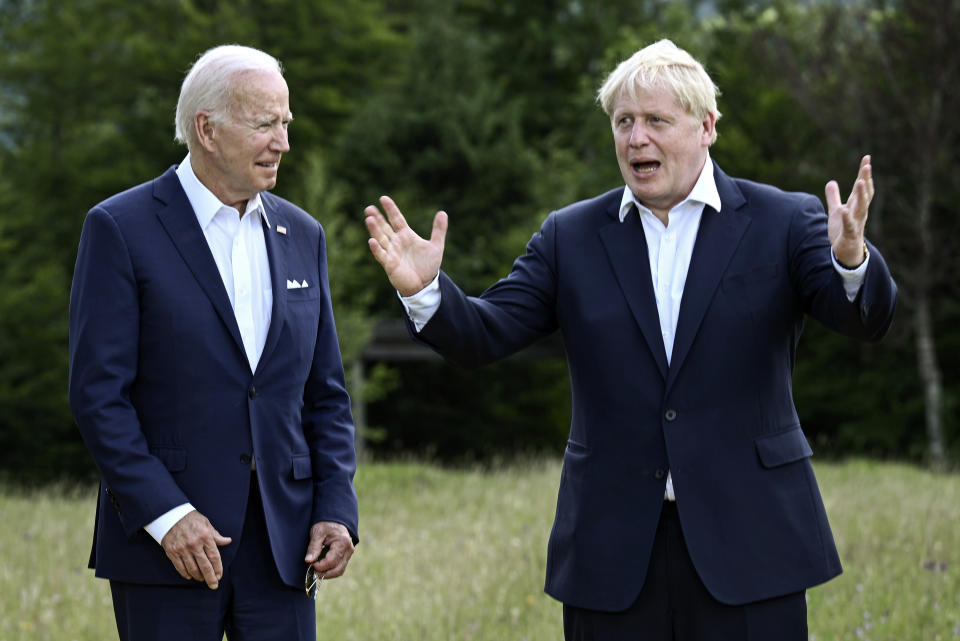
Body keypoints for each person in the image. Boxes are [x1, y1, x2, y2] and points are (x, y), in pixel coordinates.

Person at [364, 39, 897, 640]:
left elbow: (864, 320)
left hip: (753, 544)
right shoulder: (571, 236)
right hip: (612, 552)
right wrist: (427, 292)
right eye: (624, 122)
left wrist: (852, 261)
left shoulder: (784, 221)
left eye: (655, 122)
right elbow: (485, 335)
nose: (635, 138)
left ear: (707, 127)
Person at [69, 44, 358, 640]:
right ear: (207, 129)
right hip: (165, 548)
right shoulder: (120, 228)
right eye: (264, 124)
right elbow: (99, 396)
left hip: (284, 552)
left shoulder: (304, 233)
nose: (282, 141)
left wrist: (336, 508)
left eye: (285, 123)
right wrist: (167, 516)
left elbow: (325, 394)